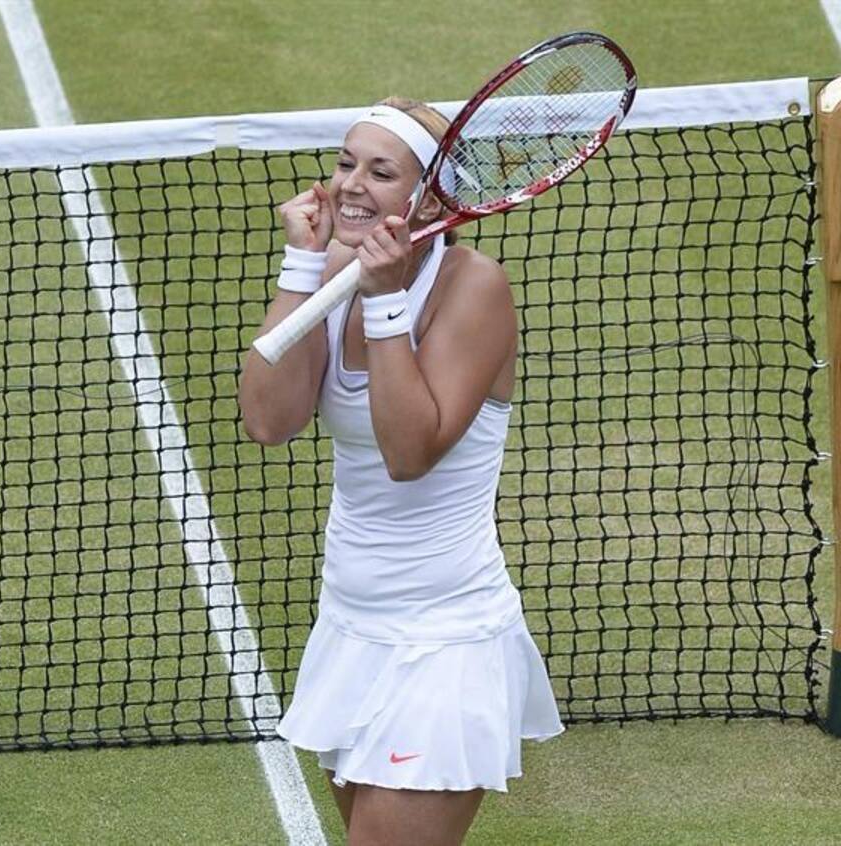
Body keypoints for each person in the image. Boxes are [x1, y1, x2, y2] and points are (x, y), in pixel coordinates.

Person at [239, 97, 564, 846]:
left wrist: (384, 302)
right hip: (350, 628)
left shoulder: (474, 287)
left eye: (381, 172)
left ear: (431, 199)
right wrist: (303, 263)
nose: (351, 184)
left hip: (444, 642)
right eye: (345, 163)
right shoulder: (334, 270)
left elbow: (409, 453)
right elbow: (269, 421)